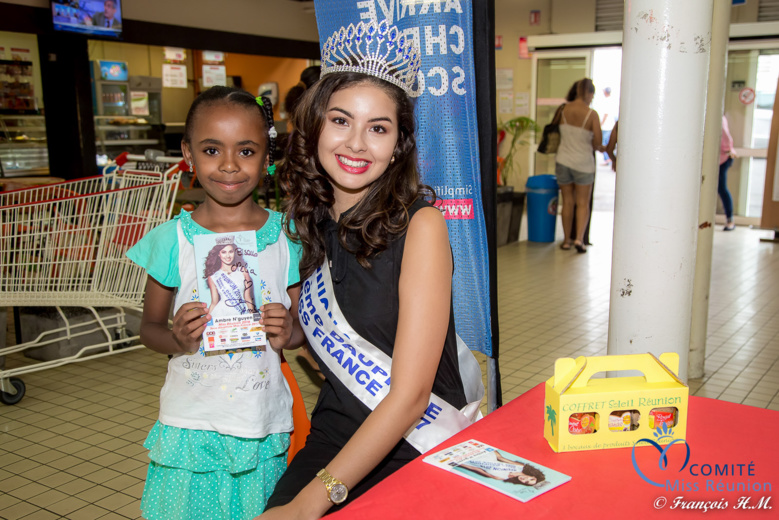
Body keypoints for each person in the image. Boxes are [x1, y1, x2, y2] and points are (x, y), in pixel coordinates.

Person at [260, 19, 483, 519]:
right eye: (341, 121)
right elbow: (318, 343)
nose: (357, 143)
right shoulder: (309, 223)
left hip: (419, 442)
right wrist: (289, 329)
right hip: (337, 435)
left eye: (378, 128)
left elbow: (411, 397)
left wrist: (308, 506)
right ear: (315, 125)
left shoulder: (422, 226)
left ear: (398, 144)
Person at [126, 86, 306, 520]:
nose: (229, 165)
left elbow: (304, 330)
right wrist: (177, 338)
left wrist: (289, 332)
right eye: (212, 149)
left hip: (261, 423)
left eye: (246, 150)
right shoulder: (172, 240)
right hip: (190, 424)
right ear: (188, 153)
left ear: (268, 158)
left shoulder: (289, 239)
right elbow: (147, 328)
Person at [556, 78, 603, 253]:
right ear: (589, 93)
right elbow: (597, 143)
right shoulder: (591, 114)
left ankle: (566, 240)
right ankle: (579, 240)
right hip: (583, 163)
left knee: (567, 201)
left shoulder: (563, 110)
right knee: (582, 203)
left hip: (563, 161)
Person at [204, 241, 255, 316]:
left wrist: (254, 318)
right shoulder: (213, 276)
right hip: (222, 313)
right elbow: (214, 302)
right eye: (224, 252)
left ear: (234, 253)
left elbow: (248, 298)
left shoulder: (243, 271)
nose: (228, 256)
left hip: (242, 312)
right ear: (218, 254)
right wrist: (206, 321)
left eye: (230, 251)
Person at [457, 451, 547, 487]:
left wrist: (459, 463)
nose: (526, 479)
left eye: (526, 482)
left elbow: (477, 469)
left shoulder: (501, 478)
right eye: (531, 479)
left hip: (472, 460)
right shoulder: (520, 467)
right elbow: (501, 458)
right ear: (532, 475)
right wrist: (487, 448)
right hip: (486, 454)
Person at [719, 115, 737, 231]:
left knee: (721, 188)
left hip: (723, 158)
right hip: (718, 158)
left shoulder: (718, 116)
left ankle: (730, 219)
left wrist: (727, 149)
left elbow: (725, 136)